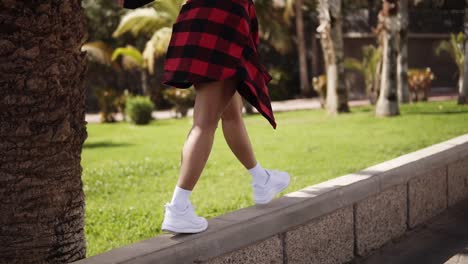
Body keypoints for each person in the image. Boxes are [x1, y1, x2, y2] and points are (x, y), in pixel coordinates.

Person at [117, 0, 290, 234]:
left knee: (231, 114)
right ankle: (178, 208)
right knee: (204, 123)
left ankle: (261, 180)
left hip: (197, 19)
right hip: (222, 20)